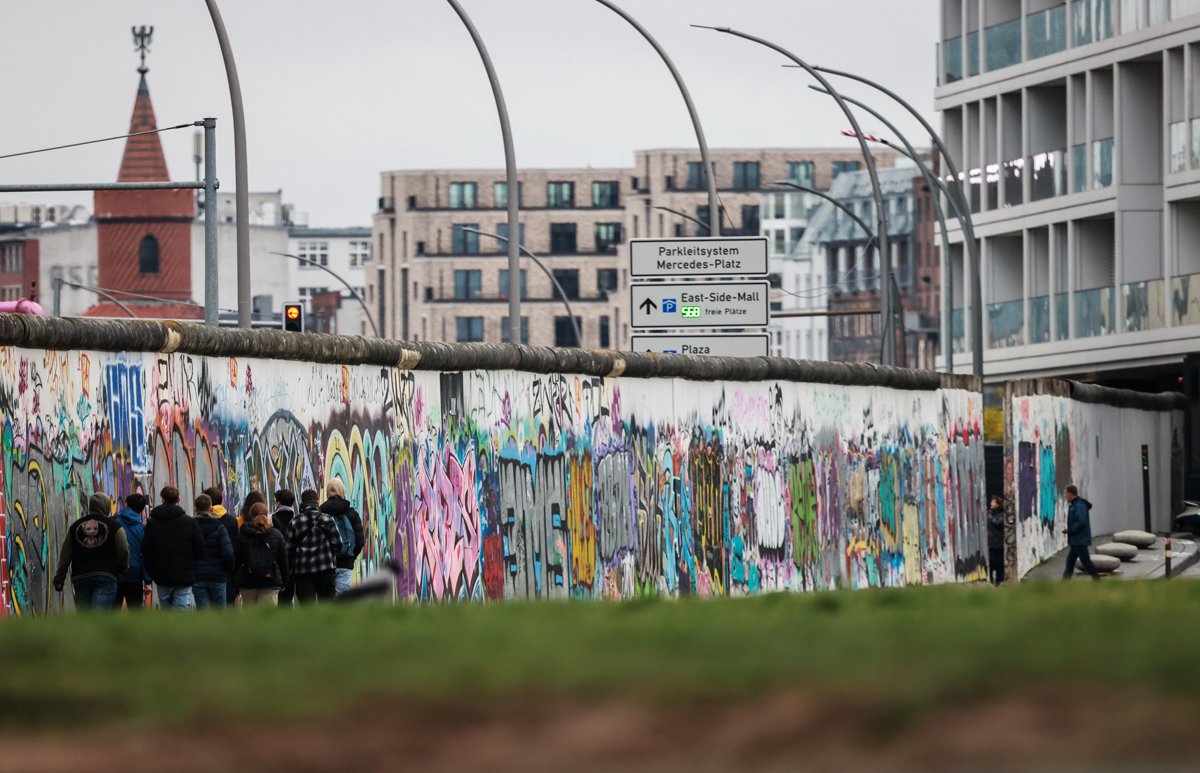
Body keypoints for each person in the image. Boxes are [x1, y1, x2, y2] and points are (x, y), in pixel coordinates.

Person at [52, 492, 129, 610]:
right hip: (106, 576)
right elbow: (124, 549)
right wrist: (122, 567)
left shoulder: (75, 527)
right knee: (100, 619)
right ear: (106, 506)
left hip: (81, 577)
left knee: (85, 620)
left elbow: (65, 555)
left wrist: (59, 578)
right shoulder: (115, 526)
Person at [143, 486, 205, 609]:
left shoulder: (152, 523)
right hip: (184, 574)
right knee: (181, 611)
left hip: (161, 575)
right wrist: (190, 563)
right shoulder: (190, 522)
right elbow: (200, 549)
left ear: (162, 499)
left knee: (166, 611)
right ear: (178, 499)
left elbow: (147, 551)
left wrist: (153, 572)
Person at [285, 489, 341, 602]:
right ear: (317, 501)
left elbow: (288, 548)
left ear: (302, 502)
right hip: (325, 570)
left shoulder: (295, 522)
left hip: (302, 572)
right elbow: (338, 545)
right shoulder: (328, 519)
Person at [235, 502, 289, 606]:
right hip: (271, 582)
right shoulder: (276, 535)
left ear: (250, 515)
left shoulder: (242, 535)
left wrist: (235, 582)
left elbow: (236, 560)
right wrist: (284, 581)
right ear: (267, 514)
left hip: (247, 581)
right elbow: (283, 561)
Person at [321, 479, 365, 595]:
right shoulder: (351, 513)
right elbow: (360, 540)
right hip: (345, 562)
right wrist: (351, 556)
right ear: (342, 491)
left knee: (326, 599)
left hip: (325, 563)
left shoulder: (321, 512)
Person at [193, 493, 235, 609]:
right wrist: (226, 570)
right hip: (217, 576)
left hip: (198, 575)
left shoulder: (191, 527)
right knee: (219, 615)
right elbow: (228, 553)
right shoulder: (220, 527)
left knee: (203, 615)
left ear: (195, 509)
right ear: (211, 509)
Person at [203, 486, 239, 606]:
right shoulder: (232, 521)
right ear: (222, 500)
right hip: (226, 575)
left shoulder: (198, 522)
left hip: (203, 574)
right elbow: (235, 550)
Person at [113, 493, 150, 609]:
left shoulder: (114, 522)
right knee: (135, 613)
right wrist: (147, 580)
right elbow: (145, 555)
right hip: (135, 575)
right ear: (142, 509)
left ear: (126, 504)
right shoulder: (142, 528)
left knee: (112, 612)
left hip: (115, 573)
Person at [1063, 485, 1101, 580]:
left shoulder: (1079, 505)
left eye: (1066, 493)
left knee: (1086, 562)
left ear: (1071, 494)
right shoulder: (1075, 504)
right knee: (1070, 562)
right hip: (1076, 540)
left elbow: (1082, 521)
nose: (1065, 496)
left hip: (1079, 539)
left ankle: (1098, 581)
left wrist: (1071, 529)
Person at [272, 489, 297, 605]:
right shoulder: (297, 520)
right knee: (286, 602)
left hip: (273, 568)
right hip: (292, 567)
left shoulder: (269, 520)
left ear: (278, 503)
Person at [987, 495, 1005, 586]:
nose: (991, 503)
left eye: (993, 502)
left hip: (998, 545)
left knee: (999, 565)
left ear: (998, 504)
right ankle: (990, 581)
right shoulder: (989, 514)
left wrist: (989, 515)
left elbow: (996, 522)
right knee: (990, 564)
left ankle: (999, 581)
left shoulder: (1002, 515)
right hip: (990, 545)